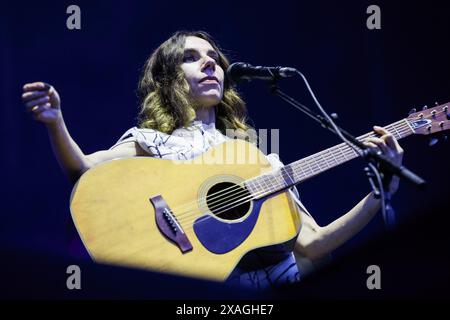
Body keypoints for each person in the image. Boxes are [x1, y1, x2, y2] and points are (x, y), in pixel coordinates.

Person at [22, 30, 404, 289]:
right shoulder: (151, 141)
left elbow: (316, 244)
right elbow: (84, 171)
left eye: (214, 58)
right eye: (191, 58)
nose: (210, 64)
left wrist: (379, 193)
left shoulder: (255, 158)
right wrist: (56, 123)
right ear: (171, 79)